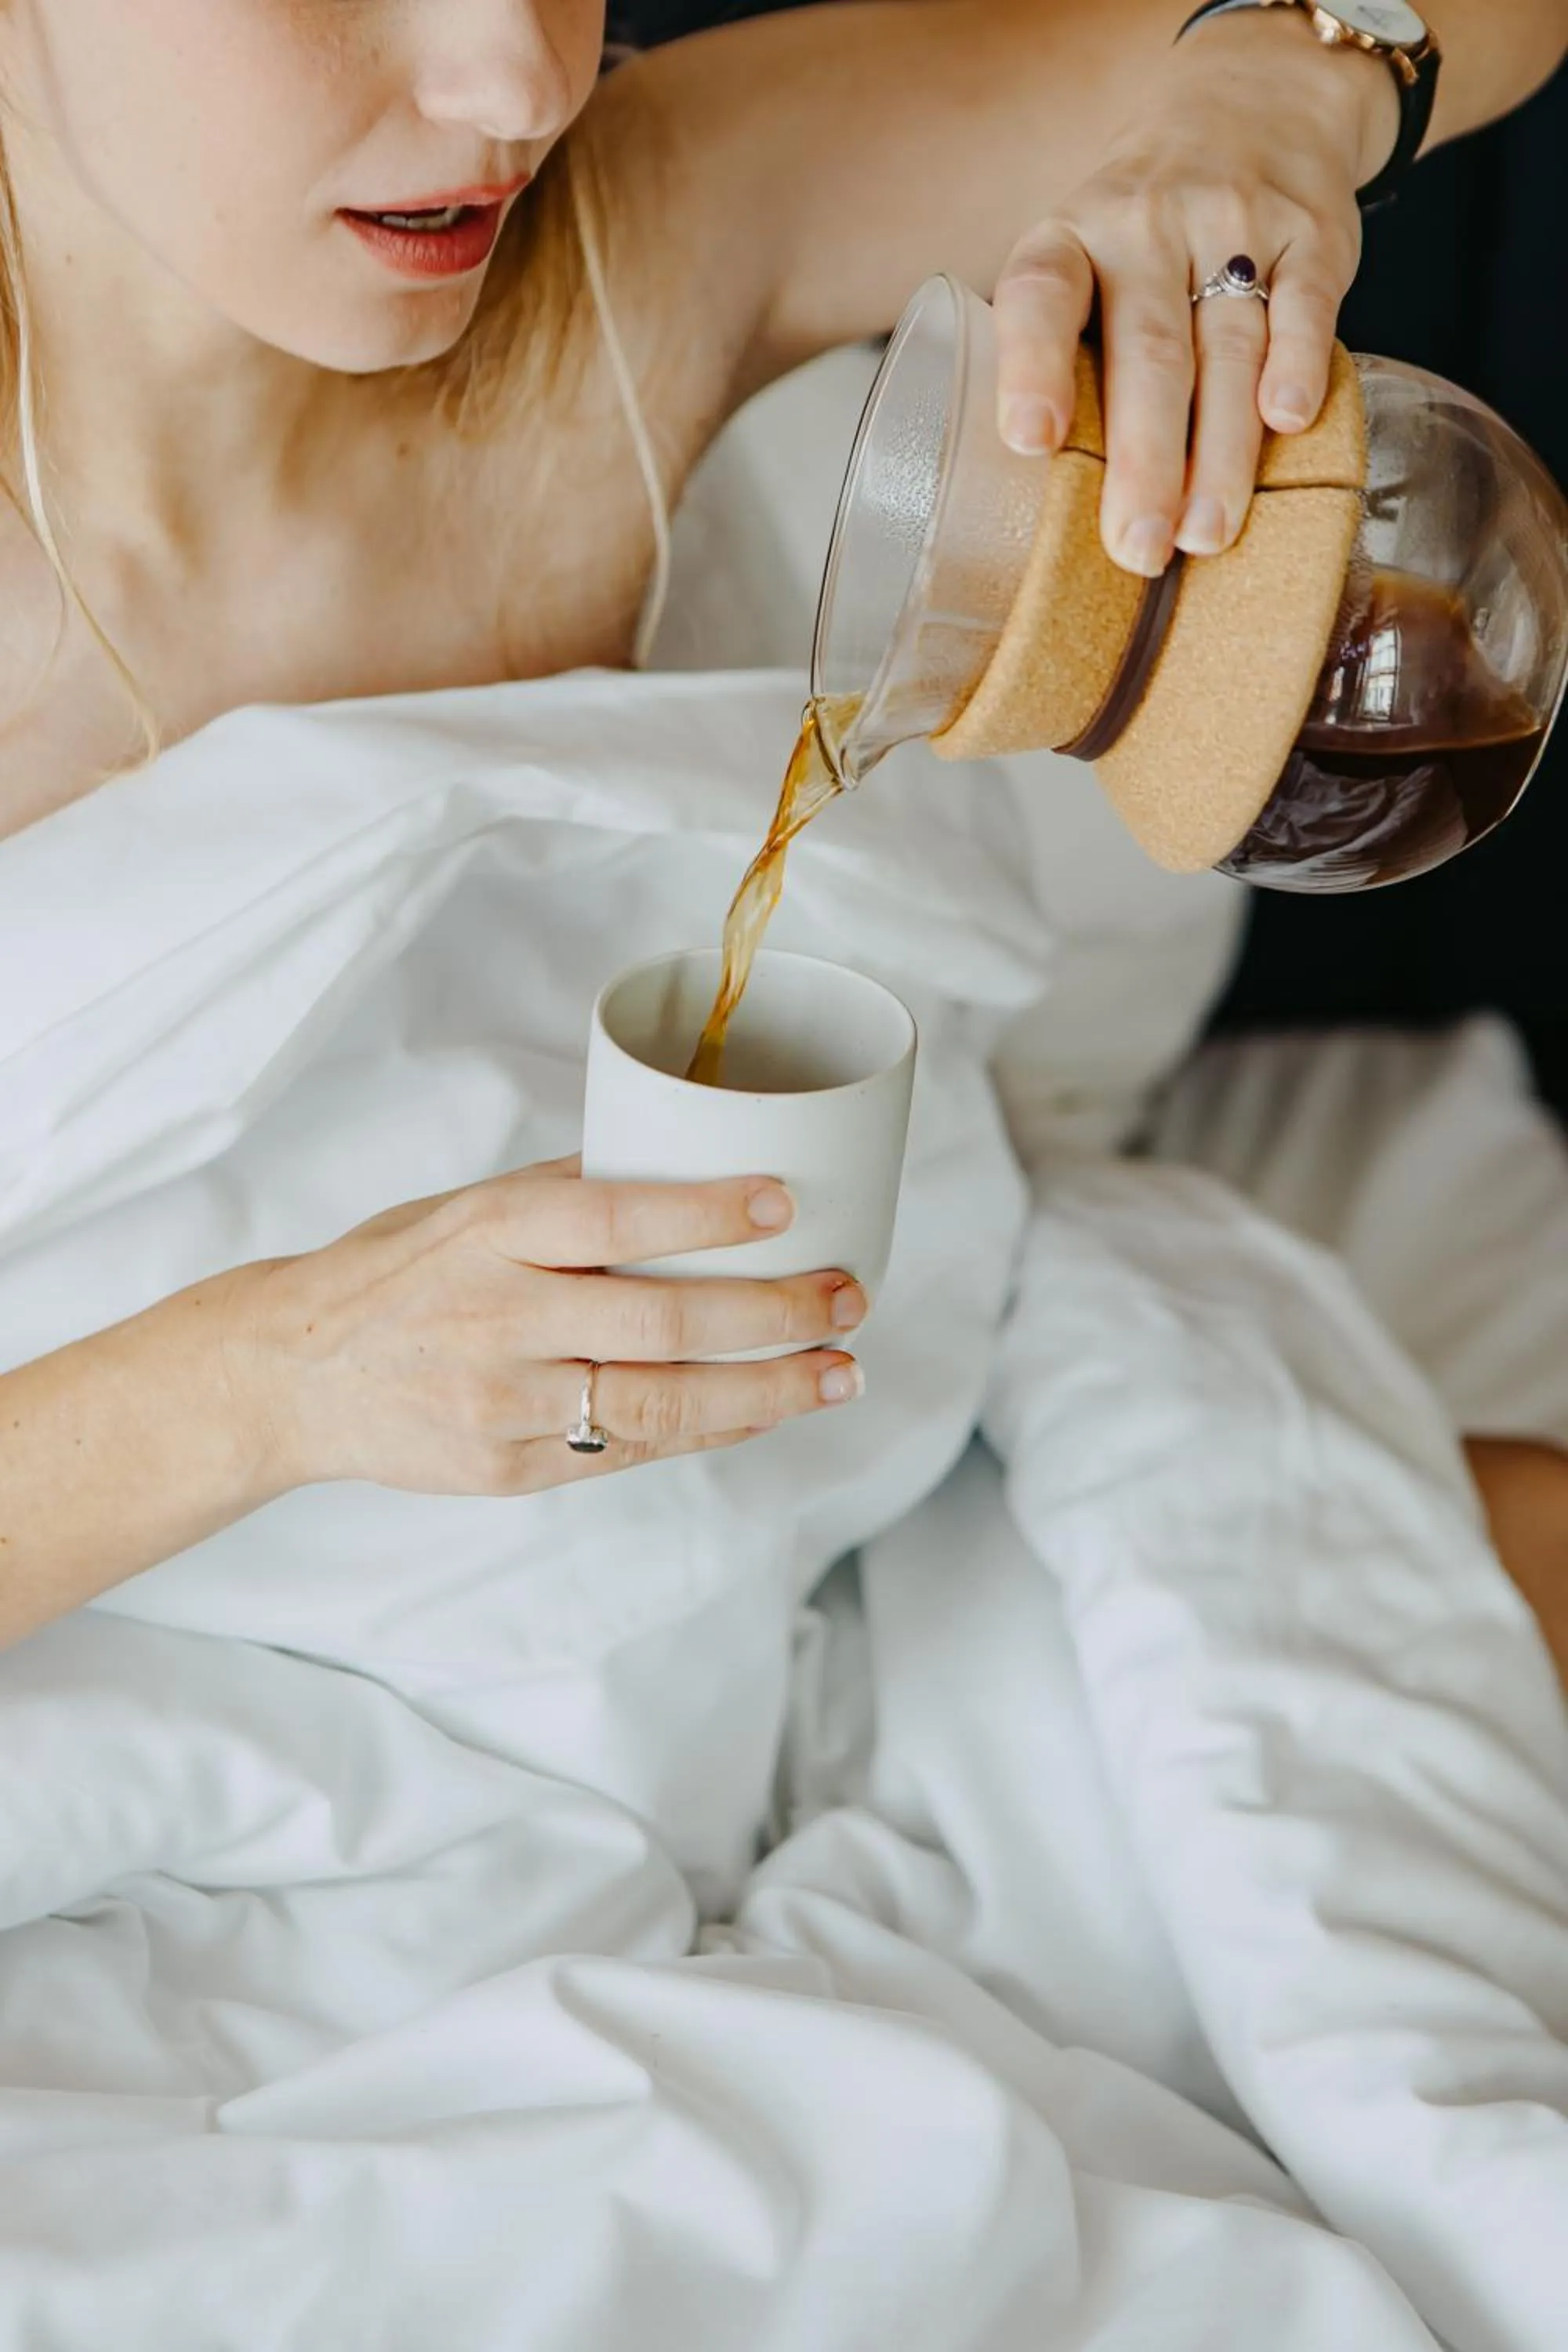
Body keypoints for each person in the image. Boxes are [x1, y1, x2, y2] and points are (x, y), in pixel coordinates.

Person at [0, 0, 1564, 1654]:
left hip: (751, 1569)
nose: (516, 82)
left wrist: (1262, 104)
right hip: (156, 1679)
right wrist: (276, 1383)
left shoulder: (624, 251)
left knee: (1466, 1563)